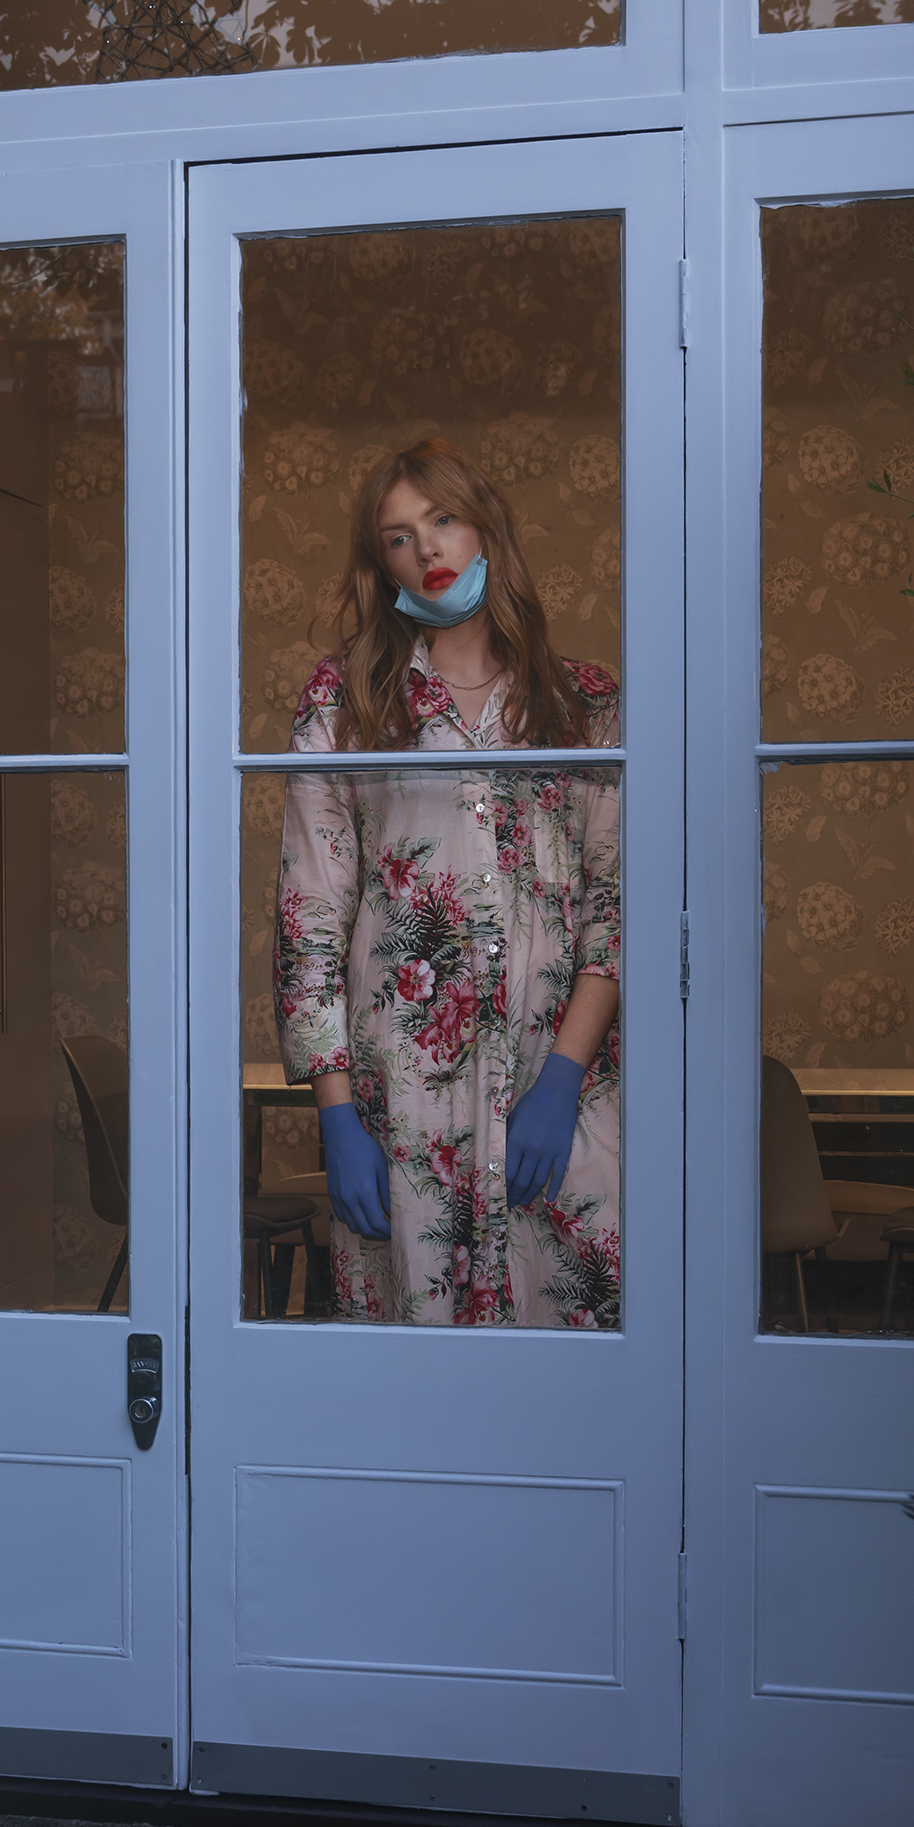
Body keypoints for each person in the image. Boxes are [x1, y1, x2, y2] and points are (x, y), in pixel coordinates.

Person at [275, 439, 623, 1327]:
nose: (426, 551)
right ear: (378, 562)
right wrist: (338, 1121)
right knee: (416, 1389)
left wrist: (563, 1078)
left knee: (571, 1373)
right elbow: (310, 924)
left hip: (564, 1095)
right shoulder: (344, 704)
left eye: (441, 521)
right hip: (403, 1108)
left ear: (486, 531)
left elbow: (616, 905)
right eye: (398, 537)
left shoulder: (583, 704)